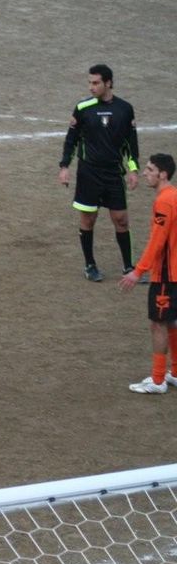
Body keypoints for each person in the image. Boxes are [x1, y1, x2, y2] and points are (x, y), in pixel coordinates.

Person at [58, 64, 140, 282]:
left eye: (95, 83)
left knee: (121, 220)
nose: (91, 87)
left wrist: (133, 169)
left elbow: (130, 143)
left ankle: (128, 267)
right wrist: (64, 166)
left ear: (108, 83)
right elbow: (71, 140)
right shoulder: (83, 108)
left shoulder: (125, 109)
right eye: (90, 83)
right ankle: (90, 265)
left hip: (114, 173)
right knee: (88, 219)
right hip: (89, 173)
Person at [119, 154, 177, 394]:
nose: (145, 173)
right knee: (171, 320)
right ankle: (175, 372)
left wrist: (138, 271)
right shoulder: (173, 196)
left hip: (165, 275)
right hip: (173, 273)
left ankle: (157, 380)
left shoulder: (164, 201)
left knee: (158, 323)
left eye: (150, 170)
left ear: (163, 174)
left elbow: (157, 241)